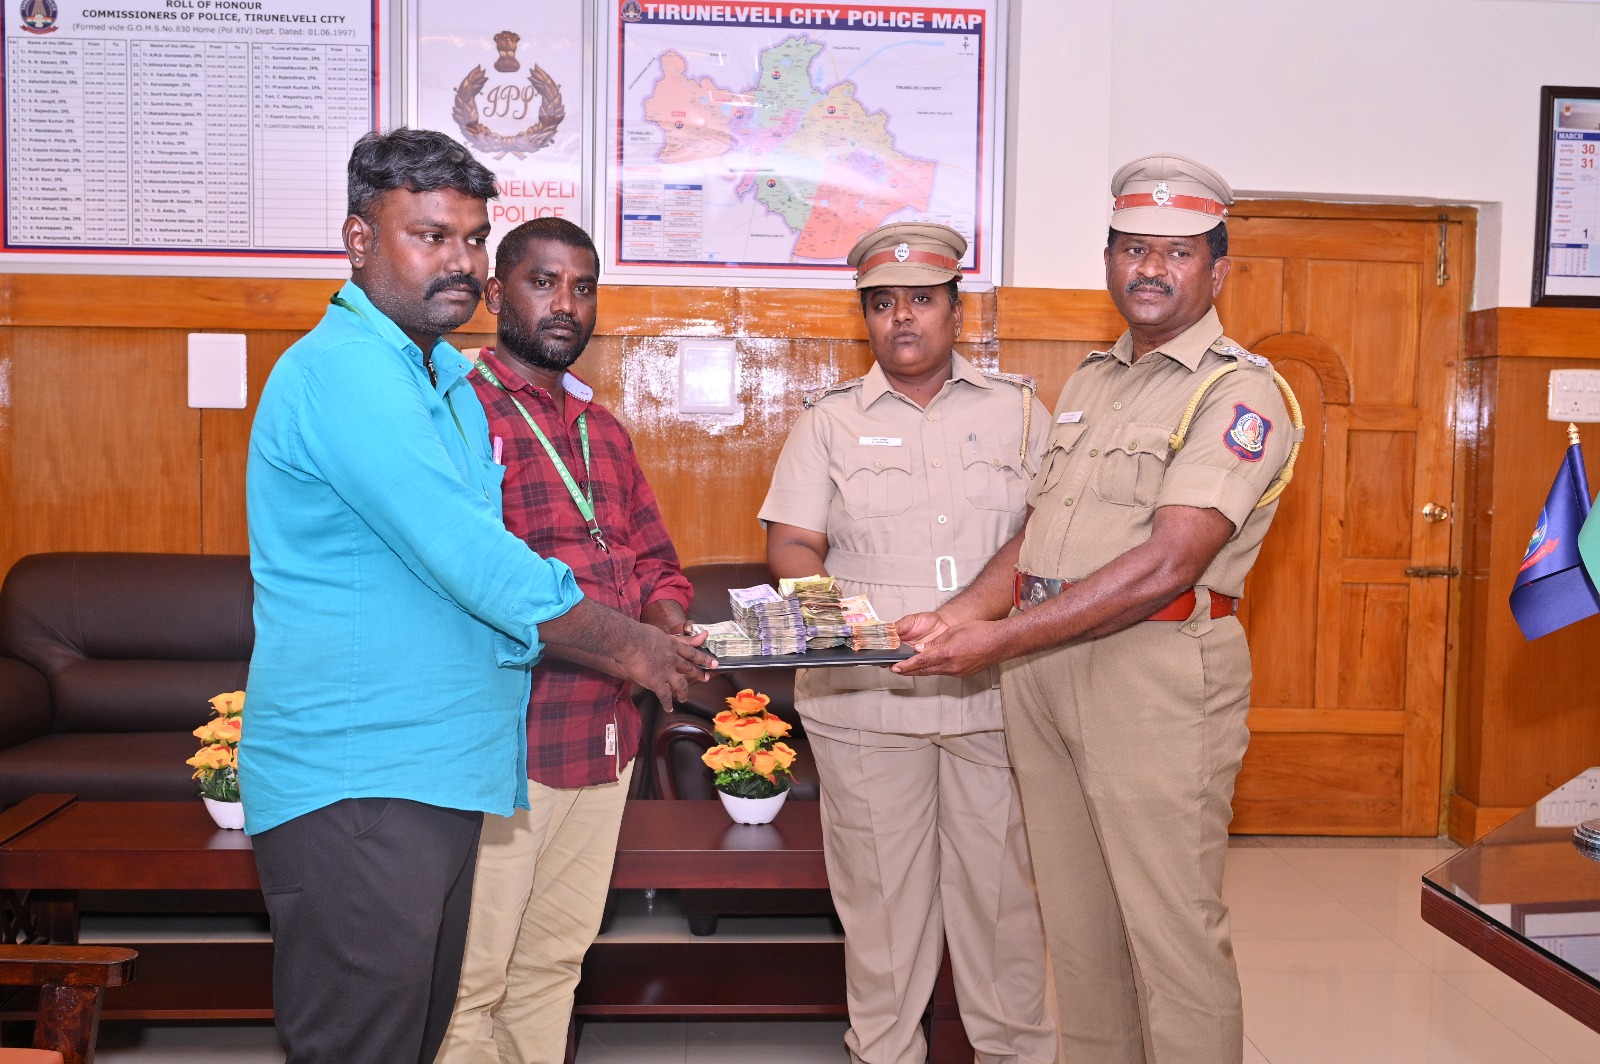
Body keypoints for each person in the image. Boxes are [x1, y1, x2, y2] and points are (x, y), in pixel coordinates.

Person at [244, 129, 711, 1064]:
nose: (457, 260)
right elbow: (473, 558)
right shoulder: (346, 371)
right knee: (369, 1042)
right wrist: (633, 648)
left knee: (425, 1031)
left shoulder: (441, 379)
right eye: (429, 236)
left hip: (444, 768)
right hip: (362, 775)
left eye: (470, 237)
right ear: (358, 239)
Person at [894, 155, 1300, 1064]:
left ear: (1218, 271)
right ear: (1109, 258)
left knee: (1172, 937)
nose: (1150, 268)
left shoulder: (1238, 392)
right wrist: (960, 616)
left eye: (1177, 252)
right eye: (1132, 248)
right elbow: (1039, 535)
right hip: (1047, 671)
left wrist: (997, 640)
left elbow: (1168, 562)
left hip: (1152, 679)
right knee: (1079, 935)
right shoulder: (1091, 381)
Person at [758, 222, 1058, 1064]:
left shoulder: (1019, 412)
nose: (902, 318)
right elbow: (791, 543)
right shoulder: (828, 422)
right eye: (882, 303)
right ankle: (883, 1053)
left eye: (921, 299)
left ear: (957, 311)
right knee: (883, 914)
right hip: (867, 704)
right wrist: (838, 621)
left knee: (1003, 910)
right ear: (866, 318)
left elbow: (1050, 534)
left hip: (992, 700)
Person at [437, 218, 693, 1063]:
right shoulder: (459, 412)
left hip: (606, 738)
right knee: (472, 980)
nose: (565, 305)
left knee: (553, 964)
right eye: (543, 282)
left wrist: (667, 626)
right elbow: (468, 577)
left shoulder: (601, 427)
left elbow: (655, 561)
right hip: (506, 744)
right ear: (494, 292)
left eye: (583, 288)